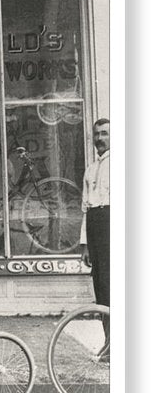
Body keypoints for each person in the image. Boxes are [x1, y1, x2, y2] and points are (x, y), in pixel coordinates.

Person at [79, 118, 110, 356]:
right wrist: (85, 245)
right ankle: (110, 343)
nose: (100, 139)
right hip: (95, 228)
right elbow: (85, 209)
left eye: (105, 134)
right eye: (97, 134)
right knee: (103, 289)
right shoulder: (90, 169)